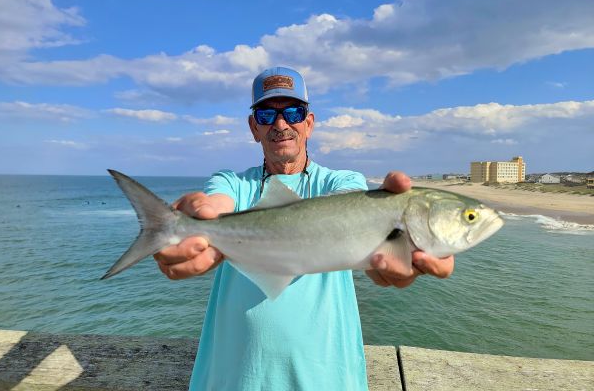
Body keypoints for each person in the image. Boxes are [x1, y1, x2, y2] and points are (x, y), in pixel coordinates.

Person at [154, 67, 454, 390]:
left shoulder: (341, 182)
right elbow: (216, 203)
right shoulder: (233, 183)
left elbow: (358, 211)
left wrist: (399, 248)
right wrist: (199, 219)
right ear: (254, 128)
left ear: (309, 124)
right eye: (267, 114)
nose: (281, 124)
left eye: (293, 113)